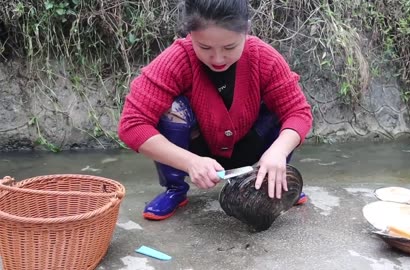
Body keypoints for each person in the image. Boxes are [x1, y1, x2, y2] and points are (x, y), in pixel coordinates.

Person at [118, 0, 313, 221]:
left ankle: (274, 179)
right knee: (171, 109)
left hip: (251, 145)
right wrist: (189, 162)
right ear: (190, 34)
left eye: (230, 47)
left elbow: (298, 112)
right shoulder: (176, 60)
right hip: (198, 153)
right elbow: (132, 125)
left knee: (280, 106)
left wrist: (278, 151)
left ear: (246, 30)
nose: (218, 58)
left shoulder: (264, 57)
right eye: (205, 47)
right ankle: (175, 189)